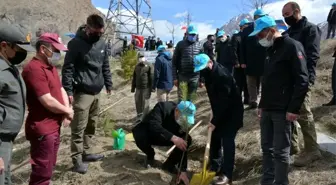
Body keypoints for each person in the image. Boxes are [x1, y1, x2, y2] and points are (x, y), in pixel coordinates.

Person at [250, 15, 309, 185]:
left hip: (283, 110)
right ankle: (267, 181)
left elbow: (302, 80)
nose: (258, 39)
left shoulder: (292, 46)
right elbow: (267, 81)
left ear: (271, 30)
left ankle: (281, 182)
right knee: (266, 149)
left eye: (260, 35)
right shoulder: (270, 51)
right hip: (267, 108)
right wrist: (261, 105)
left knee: (281, 152)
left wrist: (294, 108)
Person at [62, 14, 113, 174]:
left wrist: (109, 83)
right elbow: (68, 69)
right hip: (82, 93)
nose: (99, 34)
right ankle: (77, 160)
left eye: (101, 32)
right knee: (78, 127)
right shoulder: (75, 44)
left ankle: (86, 152)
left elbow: (105, 65)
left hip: (97, 91)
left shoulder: (102, 43)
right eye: (97, 32)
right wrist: (69, 91)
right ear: (88, 28)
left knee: (91, 124)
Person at [22, 33, 70, 185]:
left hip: (53, 126)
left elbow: (60, 89)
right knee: (41, 173)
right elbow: (47, 100)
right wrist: (68, 111)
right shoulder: (34, 69)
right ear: (43, 49)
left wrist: (66, 110)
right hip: (43, 129)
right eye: (55, 50)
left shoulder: (51, 67)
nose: (57, 54)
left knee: (49, 167)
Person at [282, 2, 322, 166]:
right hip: (289, 80)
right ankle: (294, 146)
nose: (285, 18)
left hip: (303, 79)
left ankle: (313, 150)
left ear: (297, 12)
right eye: (283, 15)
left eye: (287, 14)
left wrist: (307, 80)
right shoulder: (288, 33)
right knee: (289, 112)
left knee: (304, 112)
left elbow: (312, 57)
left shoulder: (310, 29)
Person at [193, 54, 243, 185]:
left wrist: (215, 121)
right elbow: (215, 98)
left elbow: (225, 102)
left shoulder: (222, 76)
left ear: (210, 62)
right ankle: (215, 166)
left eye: (202, 68)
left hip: (232, 112)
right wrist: (214, 112)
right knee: (215, 137)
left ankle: (227, 175)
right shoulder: (208, 73)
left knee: (227, 140)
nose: (201, 71)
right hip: (219, 110)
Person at [0, 22, 34, 185]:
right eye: (19, 50)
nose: (23, 54)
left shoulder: (10, 66)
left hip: (6, 140)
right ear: (4, 46)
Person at [132, 101, 196, 185]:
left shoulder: (184, 123)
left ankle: (169, 165)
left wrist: (183, 170)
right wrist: (174, 138)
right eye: (183, 118)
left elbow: (183, 145)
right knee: (139, 134)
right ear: (176, 110)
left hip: (166, 137)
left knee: (187, 139)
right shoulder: (162, 107)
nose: (184, 121)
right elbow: (154, 125)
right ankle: (150, 155)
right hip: (149, 133)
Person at [240, 10, 267, 110]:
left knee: (263, 82)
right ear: (255, 17)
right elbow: (242, 48)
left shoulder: (266, 28)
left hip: (264, 61)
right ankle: (253, 101)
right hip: (250, 61)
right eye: (260, 17)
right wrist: (242, 61)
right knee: (251, 83)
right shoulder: (247, 31)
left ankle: (263, 101)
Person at [172, 24, 203, 101]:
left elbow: (203, 64)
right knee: (182, 99)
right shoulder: (180, 44)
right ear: (187, 34)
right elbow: (174, 62)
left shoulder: (200, 45)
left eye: (194, 34)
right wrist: (175, 78)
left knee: (191, 99)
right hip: (183, 77)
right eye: (191, 34)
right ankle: (182, 113)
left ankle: (190, 113)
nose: (192, 36)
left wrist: (202, 80)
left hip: (195, 77)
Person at [231, 29, 250, 104]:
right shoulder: (236, 37)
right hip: (238, 65)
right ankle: (238, 99)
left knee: (246, 82)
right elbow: (234, 50)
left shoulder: (246, 36)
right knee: (239, 82)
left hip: (245, 63)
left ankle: (247, 99)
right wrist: (236, 62)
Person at [131, 53, 153, 119]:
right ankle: (139, 116)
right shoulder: (136, 66)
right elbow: (134, 77)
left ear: (144, 57)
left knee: (145, 103)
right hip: (138, 88)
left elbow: (151, 77)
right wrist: (133, 88)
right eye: (140, 57)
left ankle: (145, 117)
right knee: (138, 102)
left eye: (142, 57)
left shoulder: (149, 65)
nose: (141, 58)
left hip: (146, 88)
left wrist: (152, 88)